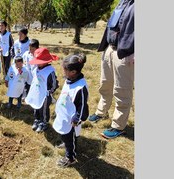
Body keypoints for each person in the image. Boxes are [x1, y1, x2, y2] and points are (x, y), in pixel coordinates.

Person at [88, 0, 134, 139]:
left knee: (122, 90)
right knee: (105, 84)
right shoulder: (122, 3)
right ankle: (101, 112)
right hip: (110, 49)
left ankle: (118, 126)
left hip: (126, 53)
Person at [52, 54, 89, 167]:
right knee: (65, 136)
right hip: (64, 115)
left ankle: (70, 157)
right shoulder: (69, 79)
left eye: (65, 69)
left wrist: (77, 119)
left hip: (72, 120)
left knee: (70, 137)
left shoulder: (80, 87)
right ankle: (68, 144)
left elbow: (82, 106)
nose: (63, 71)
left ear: (73, 72)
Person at [25, 47, 59, 132]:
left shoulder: (50, 71)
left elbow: (54, 84)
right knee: (36, 106)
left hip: (45, 95)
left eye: (40, 62)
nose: (38, 64)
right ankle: (37, 119)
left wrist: (50, 91)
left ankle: (44, 122)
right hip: (37, 92)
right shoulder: (36, 68)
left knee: (43, 109)